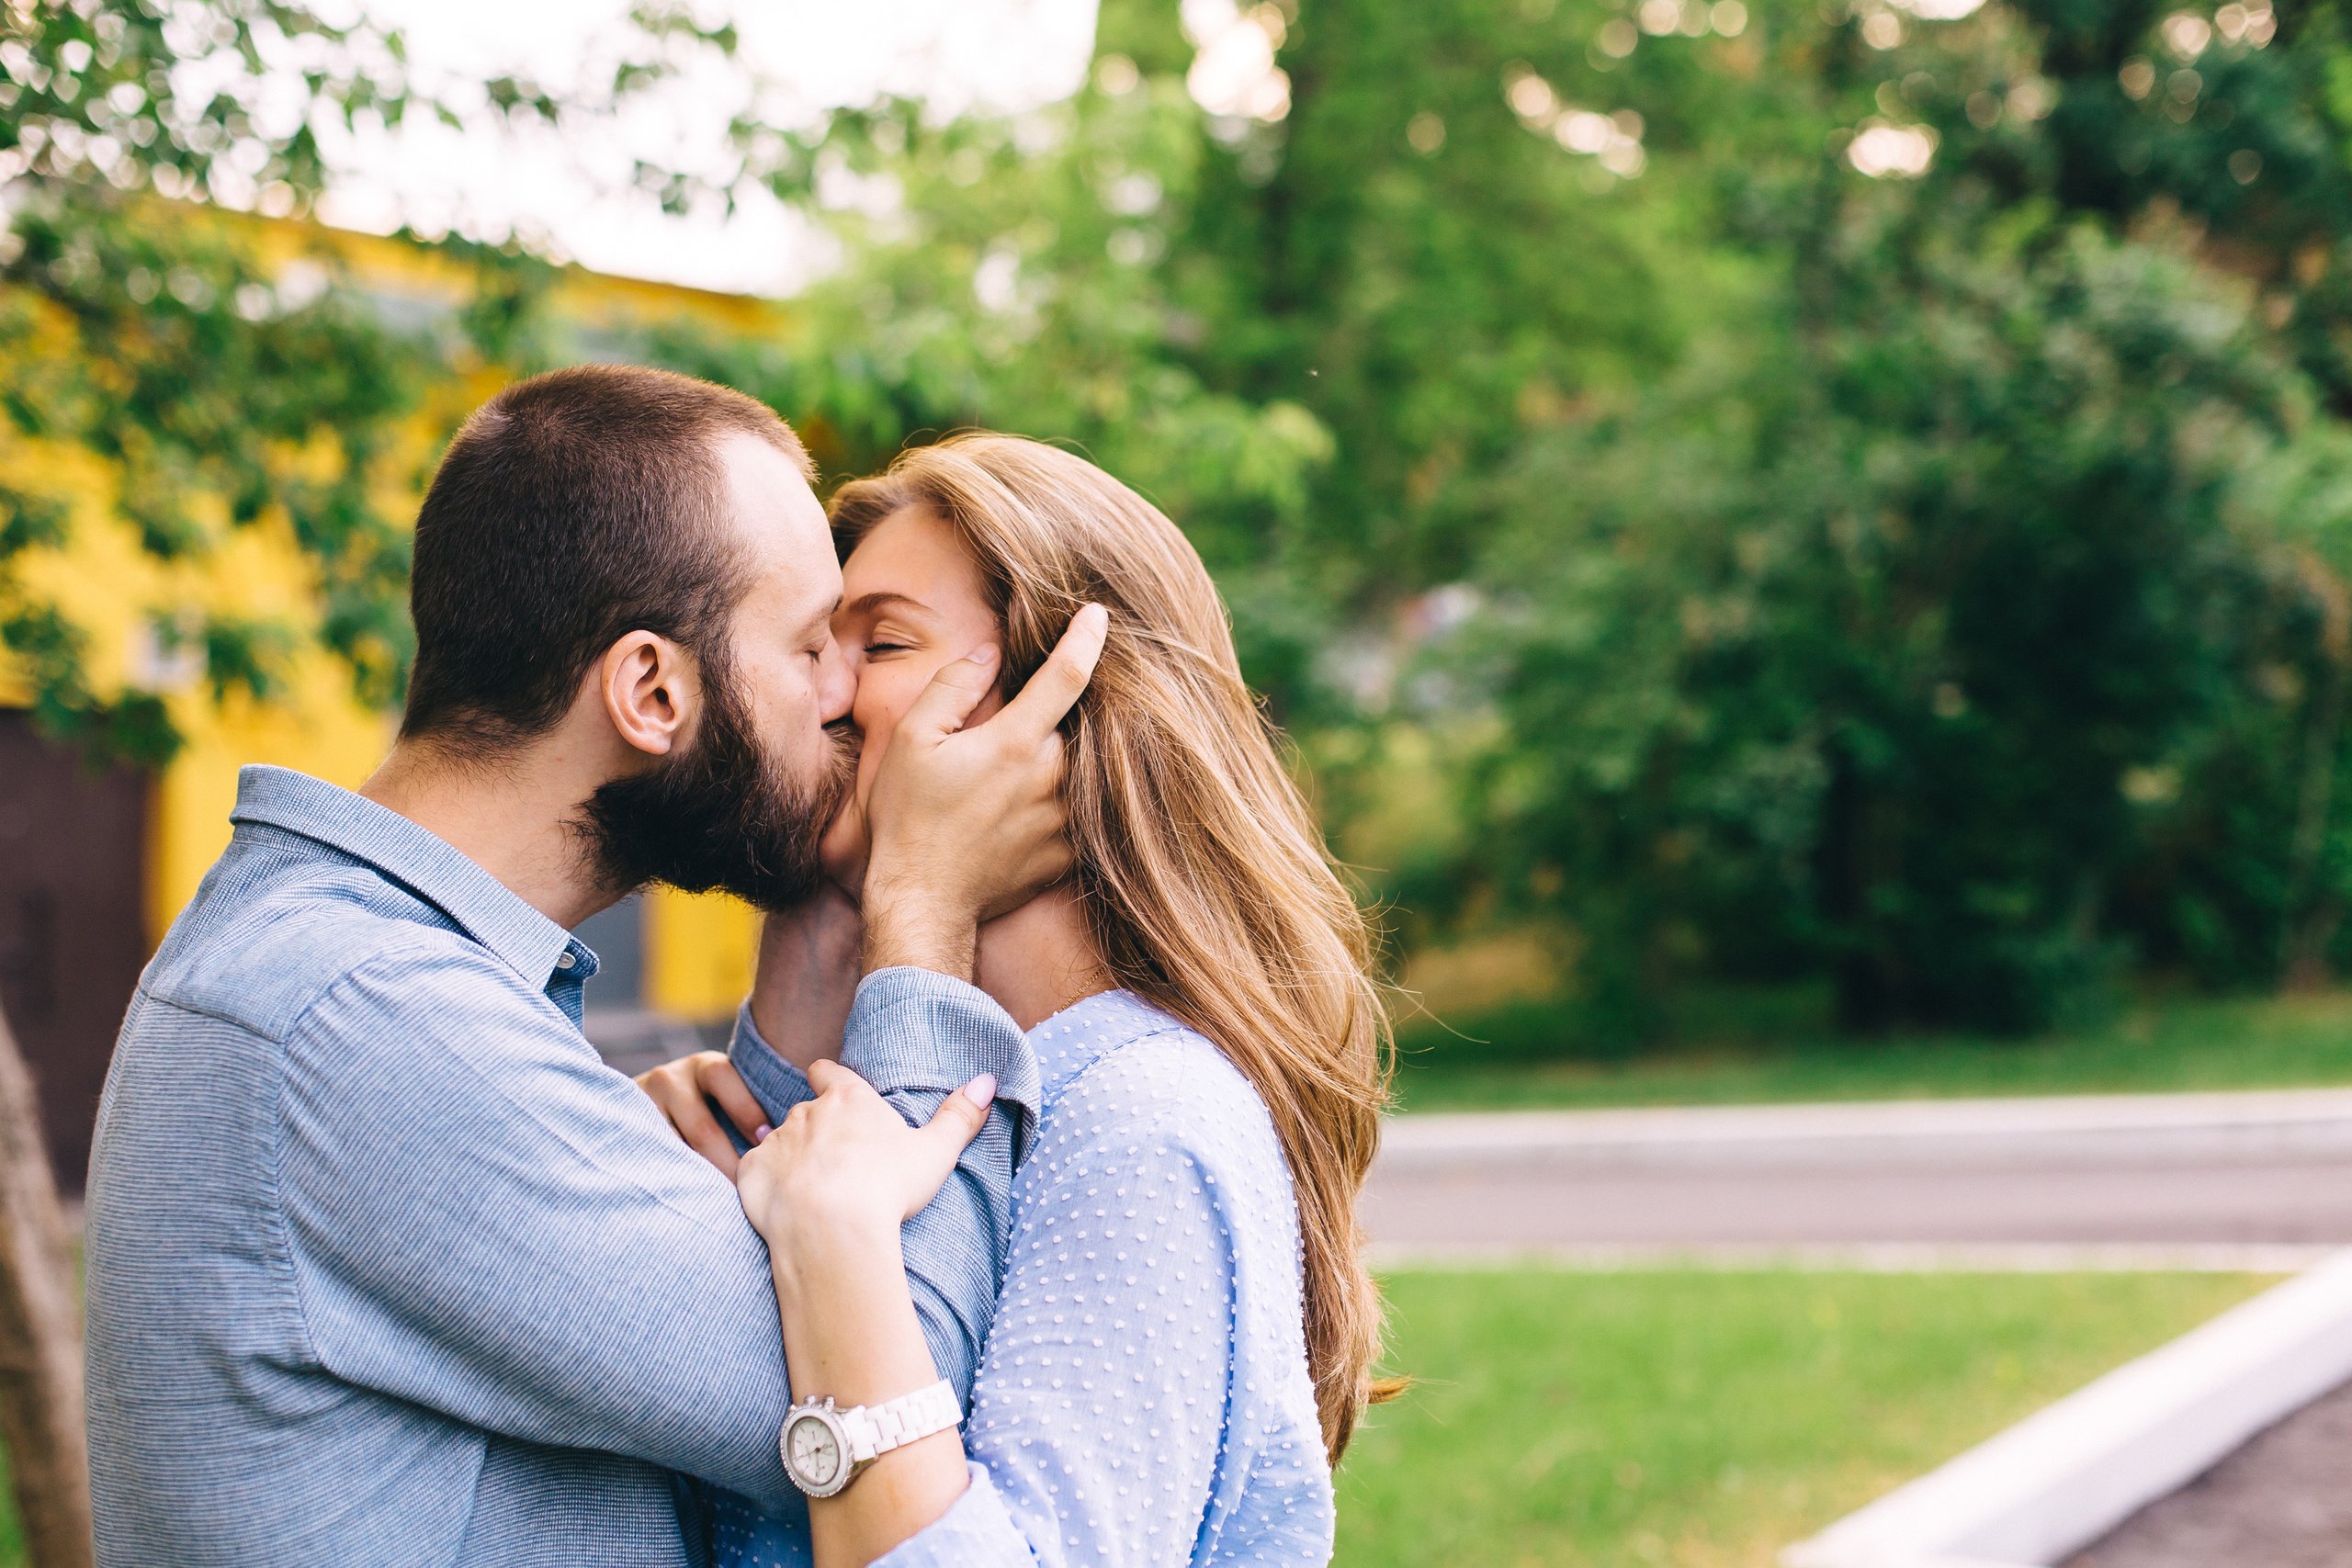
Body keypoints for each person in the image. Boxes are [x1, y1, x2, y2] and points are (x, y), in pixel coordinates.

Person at [83, 367, 1107, 1568]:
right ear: (652, 691)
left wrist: (820, 925)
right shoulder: (367, 1018)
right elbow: (899, 1395)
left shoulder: (346, 973)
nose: (842, 696)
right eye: (808, 645)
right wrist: (923, 900)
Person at [642, 435, 1399, 1568]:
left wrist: (915, 896)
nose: (822, 689)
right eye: (814, 645)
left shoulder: (1140, 1122)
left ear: (1062, 715)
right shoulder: (865, 1097)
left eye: (880, 643)